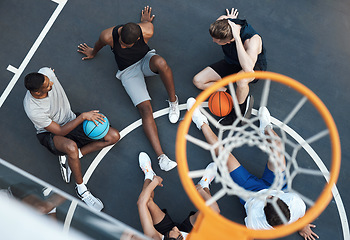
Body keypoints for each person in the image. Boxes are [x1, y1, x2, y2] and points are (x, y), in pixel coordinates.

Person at [186, 97, 319, 239]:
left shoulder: (254, 222)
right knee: (278, 147)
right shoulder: (295, 203)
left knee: (223, 154)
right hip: (279, 186)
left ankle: (200, 122)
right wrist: (303, 224)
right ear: (283, 202)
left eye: (268, 199)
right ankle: (266, 128)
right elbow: (308, 210)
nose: (268, 195)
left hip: (249, 192)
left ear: (263, 210)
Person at [77, 6, 178, 171]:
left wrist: (145, 21)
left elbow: (145, 25)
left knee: (161, 62)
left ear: (139, 38)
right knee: (145, 110)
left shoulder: (147, 30)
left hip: (145, 60)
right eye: (122, 44)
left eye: (127, 45)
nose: (123, 47)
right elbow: (99, 44)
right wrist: (93, 52)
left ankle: (173, 101)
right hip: (128, 71)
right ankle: (162, 158)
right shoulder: (108, 35)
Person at [23, 67, 120, 211]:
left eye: (50, 81)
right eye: (48, 86)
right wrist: (83, 117)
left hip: (71, 120)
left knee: (113, 136)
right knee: (70, 147)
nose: (52, 84)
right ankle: (81, 190)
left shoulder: (46, 73)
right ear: (37, 92)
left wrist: (50, 73)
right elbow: (61, 131)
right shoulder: (33, 109)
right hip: (51, 134)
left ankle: (73, 157)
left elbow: (49, 71)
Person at [192, 8, 267, 125]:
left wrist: (237, 38)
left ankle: (238, 112)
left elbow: (248, 69)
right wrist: (229, 18)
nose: (213, 41)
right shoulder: (223, 22)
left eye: (217, 41)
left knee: (241, 80)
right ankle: (235, 96)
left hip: (252, 66)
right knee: (198, 81)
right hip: (232, 62)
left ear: (229, 41)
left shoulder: (253, 40)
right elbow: (222, 20)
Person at [137, 152, 220, 240]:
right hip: (190, 234)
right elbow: (215, 210)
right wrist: (200, 190)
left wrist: (154, 182)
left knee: (148, 202)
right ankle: (204, 184)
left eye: (172, 231)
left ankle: (149, 175)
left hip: (163, 233)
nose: (176, 227)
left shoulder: (154, 237)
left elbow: (141, 203)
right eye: (179, 234)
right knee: (209, 212)